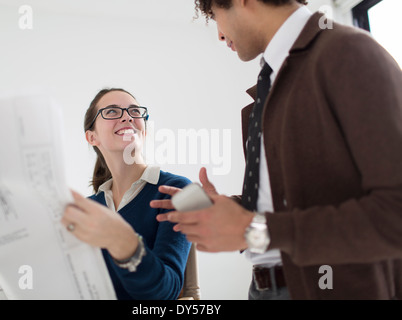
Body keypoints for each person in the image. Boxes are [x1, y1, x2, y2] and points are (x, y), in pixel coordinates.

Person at [154, 0, 402, 299]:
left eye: (215, 15)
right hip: (263, 288)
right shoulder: (269, 86)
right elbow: (292, 205)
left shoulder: (348, 52)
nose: (219, 34)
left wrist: (253, 229)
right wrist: (231, 211)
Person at [62, 88, 192, 300]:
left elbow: (166, 293)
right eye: (112, 112)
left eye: (134, 111)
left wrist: (124, 243)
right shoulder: (87, 210)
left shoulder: (175, 191)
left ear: (145, 131)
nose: (127, 116)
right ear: (92, 137)